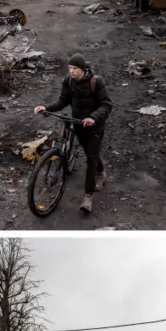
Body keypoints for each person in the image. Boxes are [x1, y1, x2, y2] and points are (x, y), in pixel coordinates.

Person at [35, 53, 113, 214]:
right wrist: (46, 108)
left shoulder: (96, 82)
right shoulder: (68, 81)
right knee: (91, 153)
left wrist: (93, 118)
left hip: (94, 127)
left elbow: (107, 105)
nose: (71, 71)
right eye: (69, 68)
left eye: (75, 68)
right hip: (78, 124)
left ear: (83, 69)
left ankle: (88, 197)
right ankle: (101, 173)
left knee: (91, 159)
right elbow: (62, 101)